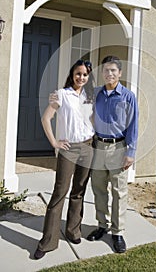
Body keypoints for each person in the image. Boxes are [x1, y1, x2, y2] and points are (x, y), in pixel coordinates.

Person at [34, 59, 95, 259]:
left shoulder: (89, 96)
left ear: (88, 76)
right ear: (72, 74)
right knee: (60, 192)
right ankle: (47, 242)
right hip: (68, 149)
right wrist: (54, 142)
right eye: (78, 73)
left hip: (87, 147)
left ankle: (73, 231)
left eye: (85, 74)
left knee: (79, 191)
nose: (81, 77)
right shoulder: (61, 94)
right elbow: (46, 118)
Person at [87, 55, 138, 253]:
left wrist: (131, 153)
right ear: (102, 73)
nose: (109, 74)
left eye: (113, 70)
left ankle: (117, 232)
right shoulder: (96, 93)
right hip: (98, 146)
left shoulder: (127, 96)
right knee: (99, 189)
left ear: (120, 73)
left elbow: (133, 126)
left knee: (119, 191)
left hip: (119, 148)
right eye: (106, 70)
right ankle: (102, 225)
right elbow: (76, 101)